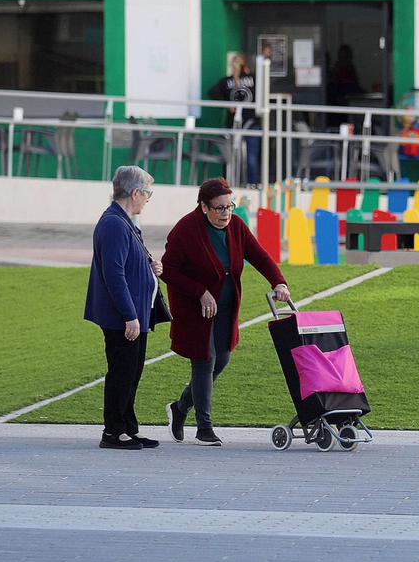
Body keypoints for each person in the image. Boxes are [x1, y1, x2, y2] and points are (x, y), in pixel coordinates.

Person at [162, 177, 290, 446]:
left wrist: (278, 281)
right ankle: (204, 428)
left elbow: (259, 255)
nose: (225, 213)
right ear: (204, 206)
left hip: (225, 305)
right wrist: (200, 291)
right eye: (219, 208)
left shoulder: (236, 226)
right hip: (194, 308)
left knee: (222, 359)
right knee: (204, 359)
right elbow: (168, 271)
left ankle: (181, 407)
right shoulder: (186, 230)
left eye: (229, 206)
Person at [84, 165, 165, 450]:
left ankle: (128, 427)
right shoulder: (114, 224)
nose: (148, 198)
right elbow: (114, 274)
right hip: (124, 317)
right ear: (135, 192)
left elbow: (126, 265)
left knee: (132, 372)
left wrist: (149, 267)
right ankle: (113, 431)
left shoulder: (124, 221)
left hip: (135, 315)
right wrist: (130, 316)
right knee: (121, 372)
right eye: (147, 193)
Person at [207, 53, 259, 186]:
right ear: (245, 66)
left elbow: (212, 92)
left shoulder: (226, 81)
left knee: (231, 157)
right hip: (251, 122)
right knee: (251, 157)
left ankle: (230, 184)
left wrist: (227, 104)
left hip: (233, 124)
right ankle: (252, 184)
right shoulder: (254, 78)